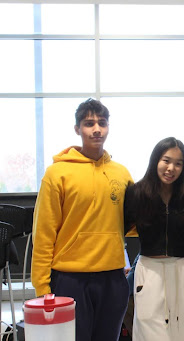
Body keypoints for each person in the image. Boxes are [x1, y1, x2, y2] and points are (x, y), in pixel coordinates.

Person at [31, 98, 133, 341]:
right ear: (77, 129)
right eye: (89, 123)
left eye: (102, 123)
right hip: (70, 279)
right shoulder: (57, 174)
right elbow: (44, 233)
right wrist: (42, 288)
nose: (96, 129)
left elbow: (132, 223)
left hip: (113, 278)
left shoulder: (121, 173)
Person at [124, 137, 184, 341]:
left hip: (183, 271)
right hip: (148, 270)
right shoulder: (136, 193)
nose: (171, 168)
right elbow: (117, 230)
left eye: (178, 163)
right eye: (166, 160)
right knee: (149, 332)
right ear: (156, 160)